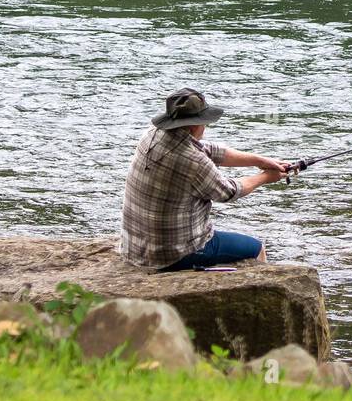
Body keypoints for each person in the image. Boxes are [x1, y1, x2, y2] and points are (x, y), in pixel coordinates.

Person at [120, 87, 290, 271]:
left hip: (135, 247)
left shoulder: (153, 133)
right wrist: (265, 177)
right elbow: (228, 191)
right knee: (257, 248)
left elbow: (208, 149)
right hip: (173, 253)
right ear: (195, 126)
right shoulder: (192, 160)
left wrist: (260, 160)